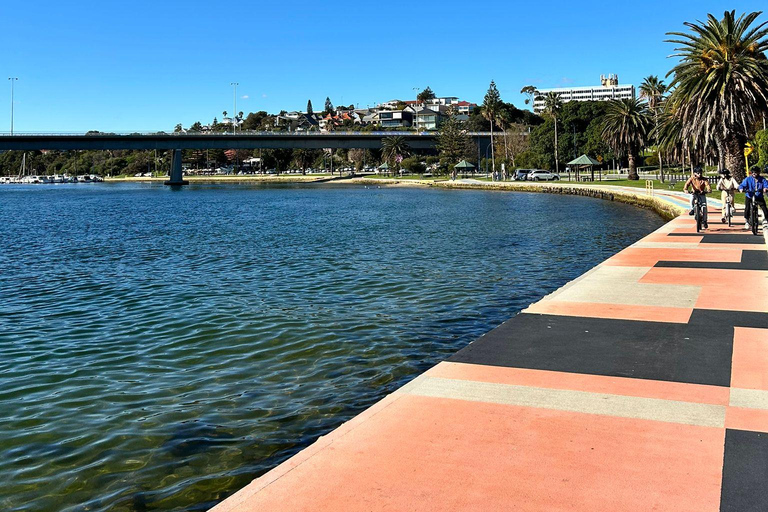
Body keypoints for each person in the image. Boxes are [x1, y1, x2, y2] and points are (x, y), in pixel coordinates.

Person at [738, 165, 768, 230]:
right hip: (749, 195)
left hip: (758, 195)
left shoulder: (762, 179)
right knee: (747, 207)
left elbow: (766, 184)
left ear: (758, 172)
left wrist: (765, 188)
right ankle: (747, 221)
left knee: (764, 207)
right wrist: (741, 188)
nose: (754, 173)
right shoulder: (748, 179)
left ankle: (766, 220)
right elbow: (742, 185)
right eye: (753, 172)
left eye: (756, 172)